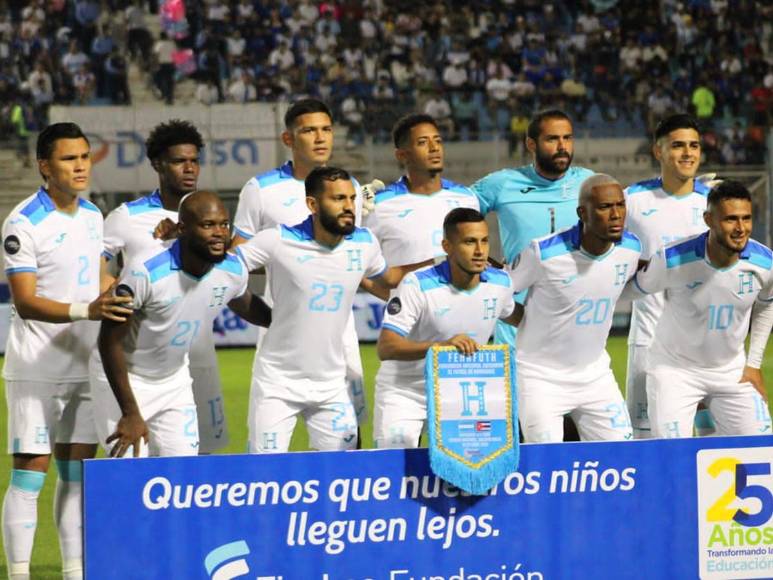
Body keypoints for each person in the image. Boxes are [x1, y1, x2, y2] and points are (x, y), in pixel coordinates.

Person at [1, 123, 133, 580]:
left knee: (77, 475)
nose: (80, 166)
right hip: (36, 367)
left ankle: (73, 573)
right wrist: (89, 309)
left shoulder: (94, 216)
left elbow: (99, 279)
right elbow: (24, 299)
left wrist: (121, 294)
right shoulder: (22, 222)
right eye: (68, 159)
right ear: (44, 166)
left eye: (83, 157)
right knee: (30, 476)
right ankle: (19, 574)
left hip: (86, 366)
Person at [235, 167, 400, 453]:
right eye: (338, 199)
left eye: (351, 198)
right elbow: (224, 272)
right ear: (312, 204)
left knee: (342, 476)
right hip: (277, 385)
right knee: (263, 477)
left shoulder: (365, 243)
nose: (349, 207)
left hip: (331, 387)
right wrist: (258, 313)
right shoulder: (276, 240)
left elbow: (390, 283)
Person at [95, 191, 271, 458]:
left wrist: (283, 324)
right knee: (129, 479)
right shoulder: (145, 272)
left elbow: (243, 301)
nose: (220, 233)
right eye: (208, 225)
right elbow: (108, 342)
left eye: (224, 224)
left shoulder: (232, 269)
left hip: (174, 381)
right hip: (126, 381)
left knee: (183, 476)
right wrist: (130, 412)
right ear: (182, 229)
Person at [231, 99, 369, 427]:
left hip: (340, 330)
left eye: (326, 130)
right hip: (282, 326)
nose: (320, 138)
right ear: (289, 140)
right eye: (309, 130)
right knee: (270, 442)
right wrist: (292, 264)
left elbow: (352, 255)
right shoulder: (261, 189)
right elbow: (237, 261)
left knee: (349, 436)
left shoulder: (352, 190)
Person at [98, 119, 231, 455]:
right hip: (136, 352)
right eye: (178, 161)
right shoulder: (128, 217)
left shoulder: (210, 214)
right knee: (130, 473)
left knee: (199, 458)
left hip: (190, 352)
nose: (189, 168)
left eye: (194, 160)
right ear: (157, 164)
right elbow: (94, 264)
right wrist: (113, 292)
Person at [472, 109, 594, 440]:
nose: (562, 146)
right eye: (552, 139)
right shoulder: (502, 184)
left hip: (574, 325)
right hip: (518, 324)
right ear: (531, 144)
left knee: (576, 436)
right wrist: (485, 264)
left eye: (567, 138)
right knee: (524, 430)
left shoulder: (588, 184)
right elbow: (456, 215)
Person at [630, 181, 773, 437]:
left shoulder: (765, 263)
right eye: (731, 219)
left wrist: (753, 364)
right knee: (672, 454)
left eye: (746, 219)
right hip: (675, 371)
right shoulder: (673, 258)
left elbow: (766, 305)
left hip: (732, 372)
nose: (741, 228)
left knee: (760, 448)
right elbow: (634, 286)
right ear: (709, 219)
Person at [508, 175, 640, 442]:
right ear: (583, 212)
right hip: (540, 377)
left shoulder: (631, 248)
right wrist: (524, 319)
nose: (616, 215)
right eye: (605, 207)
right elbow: (498, 293)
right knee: (546, 460)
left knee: (623, 457)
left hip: (595, 375)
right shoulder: (542, 253)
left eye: (620, 205)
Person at [375, 208, 520, 448]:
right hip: (406, 391)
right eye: (469, 242)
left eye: (484, 241)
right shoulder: (417, 283)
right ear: (447, 246)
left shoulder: (500, 283)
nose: (479, 251)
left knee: (468, 471)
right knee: (395, 463)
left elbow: (518, 317)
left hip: (461, 393)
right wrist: (441, 347)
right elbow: (386, 347)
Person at [624, 114, 713, 439]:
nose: (688, 153)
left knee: (714, 441)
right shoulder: (631, 200)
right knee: (649, 441)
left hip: (705, 345)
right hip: (649, 342)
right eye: (677, 145)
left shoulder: (712, 203)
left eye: (694, 145)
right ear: (658, 151)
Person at [362, 113, 479, 299]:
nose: (434, 148)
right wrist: (398, 300)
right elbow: (360, 270)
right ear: (402, 155)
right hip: (408, 325)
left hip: (464, 319)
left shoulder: (466, 199)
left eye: (438, 141)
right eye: (423, 142)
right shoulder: (377, 205)